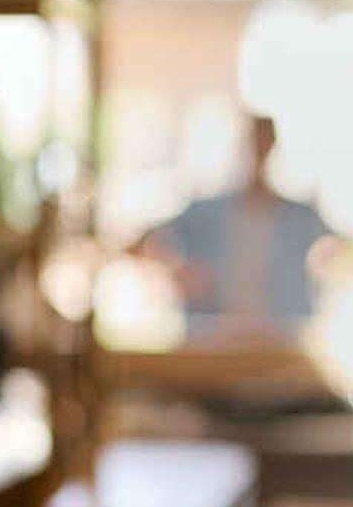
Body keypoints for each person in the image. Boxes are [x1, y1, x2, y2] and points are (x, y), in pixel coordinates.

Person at [138, 112, 335, 338]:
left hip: (280, 340)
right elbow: (144, 242)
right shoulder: (205, 212)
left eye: (265, 142)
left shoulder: (300, 216)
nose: (260, 150)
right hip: (216, 339)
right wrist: (180, 272)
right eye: (255, 141)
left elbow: (341, 254)